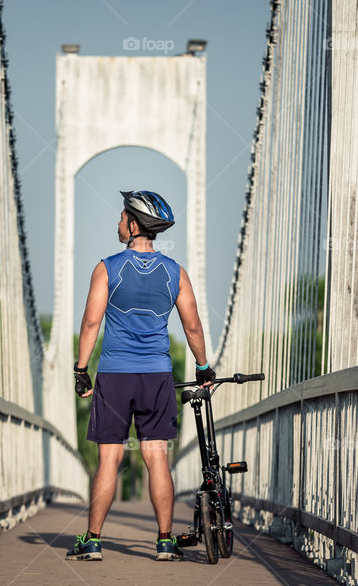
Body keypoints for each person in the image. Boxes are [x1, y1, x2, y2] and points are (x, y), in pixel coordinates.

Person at [66, 190, 215, 562]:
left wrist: (81, 370)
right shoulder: (175, 273)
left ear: (133, 225)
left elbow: (90, 322)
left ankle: (94, 540)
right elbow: (192, 326)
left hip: (115, 376)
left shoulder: (107, 267)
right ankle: (165, 540)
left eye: (121, 218)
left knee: (109, 460)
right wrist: (202, 367)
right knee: (157, 457)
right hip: (157, 377)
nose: (117, 223)